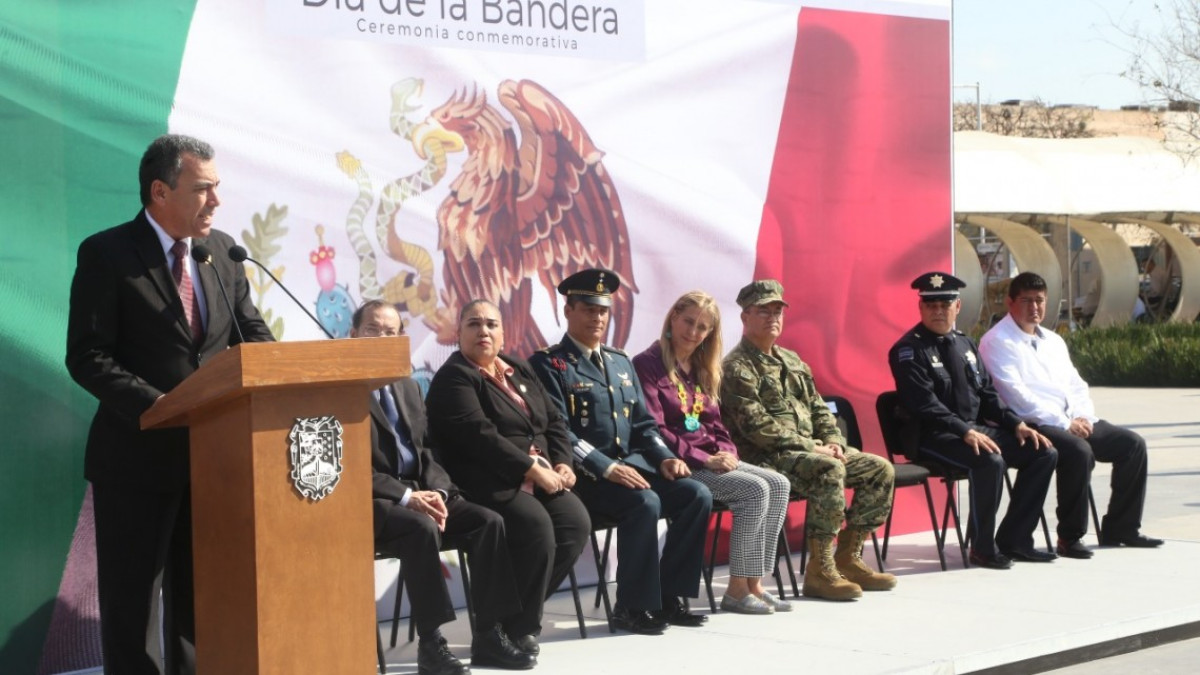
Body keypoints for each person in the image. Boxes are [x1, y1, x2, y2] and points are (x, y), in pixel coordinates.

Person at [65, 135, 275, 675]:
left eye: (217, 189)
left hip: (213, 460)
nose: (216, 202)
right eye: (203, 189)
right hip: (136, 459)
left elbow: (251, 339)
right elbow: (88, 357)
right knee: (133, 607)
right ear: (160, 191)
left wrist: (288, 375)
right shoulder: (107, 254)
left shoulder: (222, 253)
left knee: (195, 604)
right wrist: (163, 405)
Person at [351, 300, 531, 674]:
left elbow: (429, 448)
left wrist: (440, 491)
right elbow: (348, 468)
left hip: (421, 491)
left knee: (487, 521)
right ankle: (431, 645)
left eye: (392, 331)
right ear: (352, 335)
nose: (384, 338)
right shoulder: (340, 391)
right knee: (420, 527)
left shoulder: (408, 385)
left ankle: (487, 635)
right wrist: (405, 496)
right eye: (373, 330)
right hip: (372, 500)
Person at [529, 270, 712, 633]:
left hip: (632, 469)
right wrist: (605, 467)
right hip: (587, 477)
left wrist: (665, 458)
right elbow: (559, 432)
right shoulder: (549, 364)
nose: (597, 318)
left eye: (603, 311)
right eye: (588, 310)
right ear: (568, 311)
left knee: (696, 494)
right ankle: (631, 607)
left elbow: (644, 425)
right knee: (644, 503)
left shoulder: (619, 361)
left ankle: (669, 598)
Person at [424, 299, 590, 661]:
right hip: (486, 479)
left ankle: (515, 625)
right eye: (474, 324)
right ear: (458, 333)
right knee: (536, 528)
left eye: (491, 324)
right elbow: (480, 436)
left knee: (574, 523)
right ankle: (504, 632)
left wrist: (563, 464)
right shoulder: (454, 377)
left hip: (543, 472)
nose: (483, 331)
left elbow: (555, 422)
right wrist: (532, 471)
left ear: (503, 332)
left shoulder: (517, 368)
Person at [721, 280, 896, 601]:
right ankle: (820, 570)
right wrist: (814, 448)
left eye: (777, 311)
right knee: (828, 470)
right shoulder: (737, 367)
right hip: (766, 460)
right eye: (763, 311)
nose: (773, 317)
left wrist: (834, 442)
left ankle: (848, 558)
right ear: (745, 318)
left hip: (812, 452)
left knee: (879, 469)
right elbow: (757, 427)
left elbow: (819, 409)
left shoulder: (792, 360)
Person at [979, 272, 1163, 558]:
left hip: (1073, 418)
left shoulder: (1053, 340)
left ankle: (1122, 528)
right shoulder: (997, 341)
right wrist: (1066, 424)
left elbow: (1075, 384)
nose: (1034, 307)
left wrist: (1083, 416)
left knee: (1132, 444)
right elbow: (1016, 396)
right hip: (1031, 423)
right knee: (1078, 451)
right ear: (1009, 303)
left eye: (1039, 301)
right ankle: (1070, 536)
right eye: (1026, 301)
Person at [632, 290, 794, 614]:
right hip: (682, 462)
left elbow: (716, 423)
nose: (693, 332)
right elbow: (656, 428)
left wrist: (728, 452)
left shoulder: (703, 366)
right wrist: (706, 459)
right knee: (754, 490)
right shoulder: (647, 363)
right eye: (688, 321)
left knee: (779, 484)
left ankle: (754, 584)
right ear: (673, 317)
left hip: (712, 457)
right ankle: (735, 590)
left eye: (702, 327)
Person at [888, 271, 1057, 570]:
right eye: (931, 306)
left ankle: (1015, 539)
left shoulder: (966, 345)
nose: (938, 311)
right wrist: (964, 430)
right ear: (921, 308)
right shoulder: (908, 350)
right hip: (934, 436)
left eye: (945, 304)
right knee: (989, 461)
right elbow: (925, 405)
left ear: (958, 307)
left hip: (972, 431)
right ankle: (982, 547)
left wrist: (1016, 423)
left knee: (1043, 452)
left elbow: (989, 396)